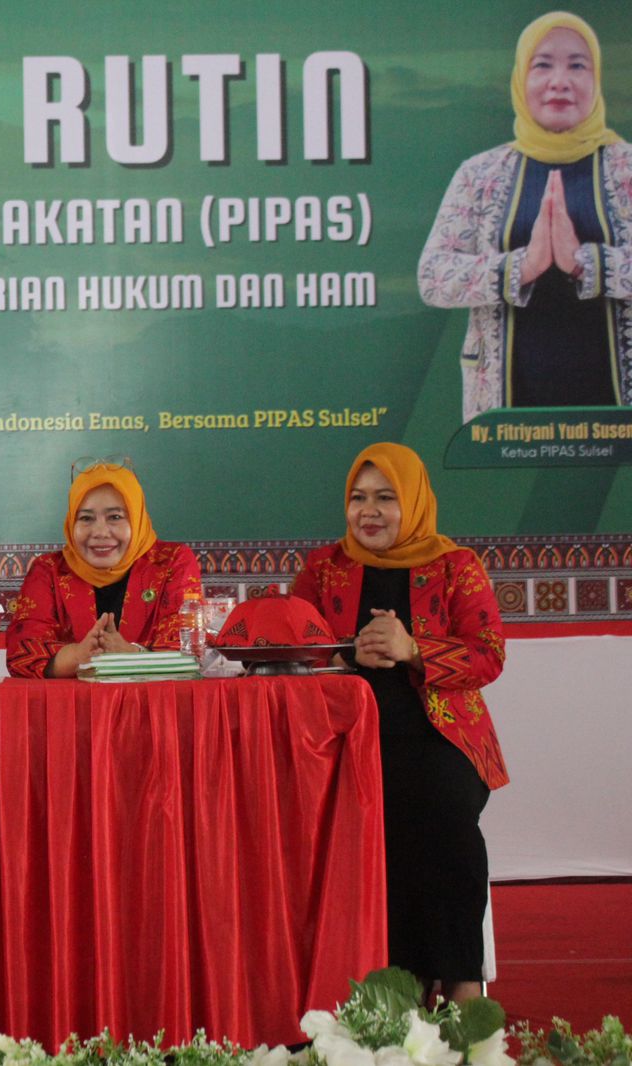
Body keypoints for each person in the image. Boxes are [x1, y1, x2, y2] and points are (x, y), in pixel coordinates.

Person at [291, 442, 508, 1004]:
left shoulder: (455, 566)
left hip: (442, 736)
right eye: (359, 498)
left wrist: (414, 649)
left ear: (411, 502)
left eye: (385, 498)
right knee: (343, 818)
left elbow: (488, 655)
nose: (369, 511)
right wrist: (345, 656)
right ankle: (394, 983)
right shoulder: (323, 569)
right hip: (342, 739)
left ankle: (460, 979)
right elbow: (294, 648)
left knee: (444, 815)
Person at [418, 11, 631, 420]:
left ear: (596, 79)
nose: (560, 81)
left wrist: (585, 263)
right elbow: (433, 277)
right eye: (543, 65)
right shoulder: (480, 173)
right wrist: (521, 267)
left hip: (619, 422)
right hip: (506, 419)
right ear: (520, 78)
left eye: (577, 66)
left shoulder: (627, 169)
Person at [6, 461, 202, 677]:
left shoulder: (171, 562)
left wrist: (130, 654)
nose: (100, 532)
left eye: (115, 517)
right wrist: (78, 656)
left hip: (152, 698)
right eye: (86, 518)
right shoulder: (49, 570)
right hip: (74, 699)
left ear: (137, 518)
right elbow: (21, 654)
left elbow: (188, 651)